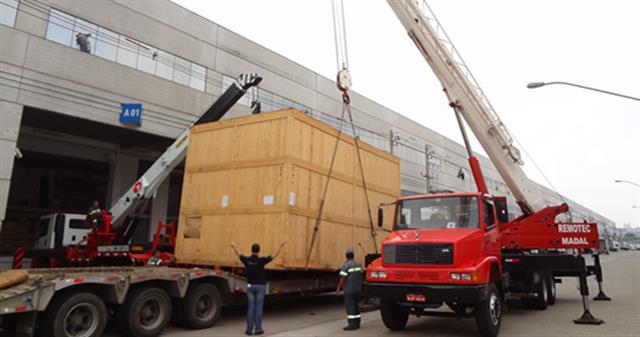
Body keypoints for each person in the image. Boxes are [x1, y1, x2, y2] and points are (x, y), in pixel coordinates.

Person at [231, 241, 285, 335]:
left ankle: (249, 330)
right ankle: (258, 329)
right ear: (259, 251)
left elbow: (239, 254)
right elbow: (274, 255)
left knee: (250, 308)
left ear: (251, 250)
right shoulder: (261, 261)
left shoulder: (247, 260)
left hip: (250, 286)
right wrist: (280, 245)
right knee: (258, 308)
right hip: (260, 287)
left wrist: (234, 246)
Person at [336, 248, 364, 330]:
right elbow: (361, 275)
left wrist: (338, 288)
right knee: (356, 306)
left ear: (346, 256)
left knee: (350, 307)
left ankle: (352, 325)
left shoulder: (346, 265)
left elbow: (342, 278)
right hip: (358, 289)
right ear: (353, 256)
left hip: (349, 290)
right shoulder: (358, 264)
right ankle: (357, 323)